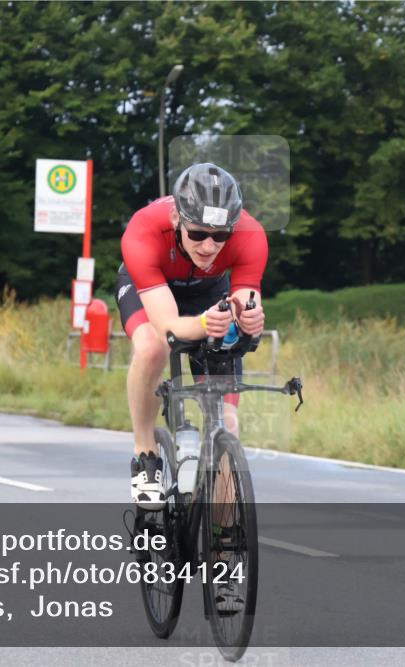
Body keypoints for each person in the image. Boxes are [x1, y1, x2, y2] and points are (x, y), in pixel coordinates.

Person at [116, 163, 267, 509]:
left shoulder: (251, 235)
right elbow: (167, 325)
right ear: (176, 219)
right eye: (198, 234)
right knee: (153, 348)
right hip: (150, 287)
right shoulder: (144, 229)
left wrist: (250, 317)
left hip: (209, 291)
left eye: (220, 236)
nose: (209, 245)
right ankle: (145, 456)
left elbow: (245, 296)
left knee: (227, 422)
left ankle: (226, 539)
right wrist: (202, 326)